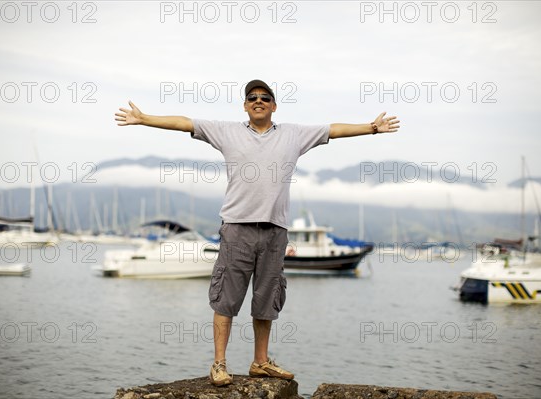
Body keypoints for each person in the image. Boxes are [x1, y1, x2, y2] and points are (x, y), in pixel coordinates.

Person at [114, 79, 400, 386]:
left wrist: (371, 127)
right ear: (245, 105)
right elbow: (185, 123)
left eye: (265, 97)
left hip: (275, 230)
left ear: (274, 105)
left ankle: (260, 362)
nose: (258, 100)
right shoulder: (227, 131)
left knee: (267, 299)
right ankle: (219, 364)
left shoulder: (294, 134)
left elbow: (333, 129)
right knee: (226, 298)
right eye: (252, 97)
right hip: (237, 228)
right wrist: (144, 119)